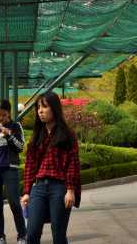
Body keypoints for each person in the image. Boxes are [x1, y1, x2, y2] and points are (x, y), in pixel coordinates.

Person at [20, 92, 80, 244]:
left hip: (59, 188)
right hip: (38, 187)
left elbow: (73, 163)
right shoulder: (37, 135)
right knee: (32, 233)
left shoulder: (67, 134)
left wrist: (70, 190)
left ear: (54, 108)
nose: (40, 111)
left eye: (44, 107)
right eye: (38, 107)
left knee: (58, 235)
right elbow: (30, 165)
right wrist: (27, 192)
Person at [0, 100, 27, 244]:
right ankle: (0, 237)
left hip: (10, 169)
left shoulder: (16, 126)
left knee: (14, 202)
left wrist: (8, 135)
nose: (0, 118)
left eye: (3, 115)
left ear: (9, 113)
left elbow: (20, 147)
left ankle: (22, 236)